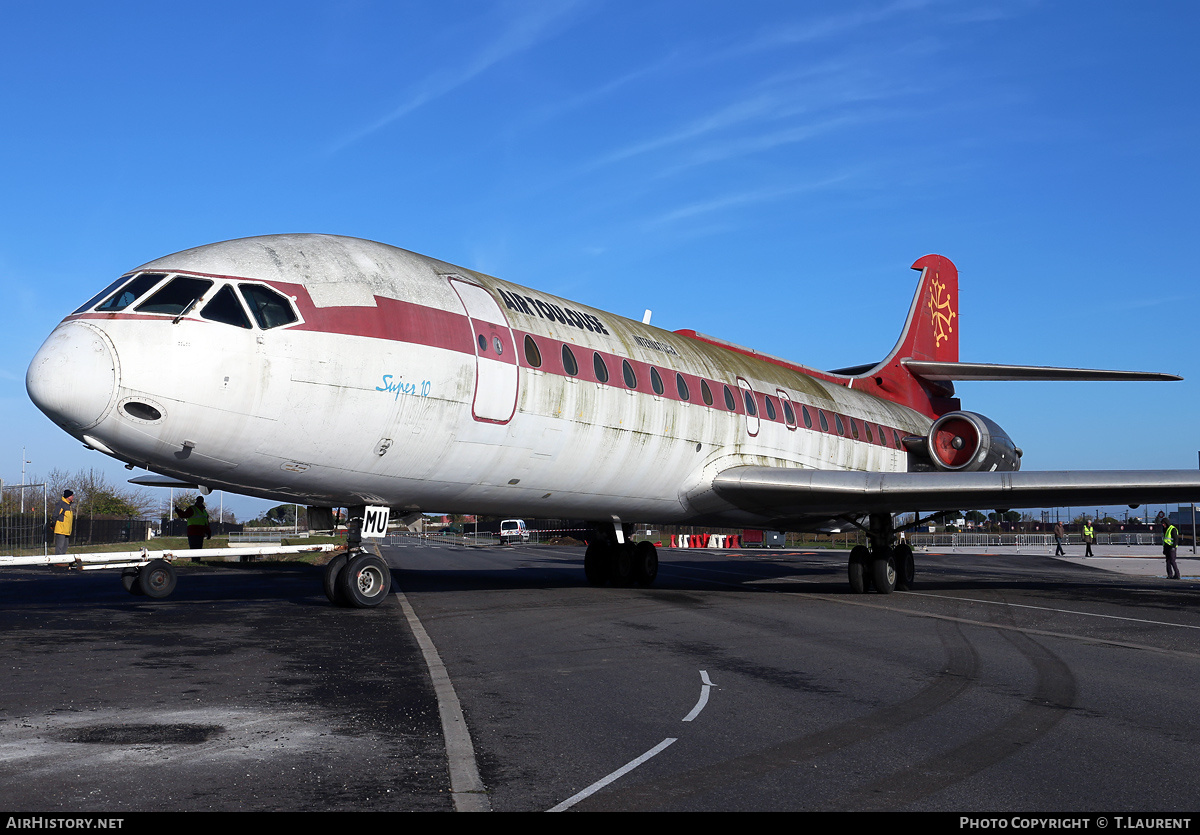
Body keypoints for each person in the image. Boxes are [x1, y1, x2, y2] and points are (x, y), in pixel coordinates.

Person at [52, 489, 74, 556]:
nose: (73, 497)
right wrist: (53, 524)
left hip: (67, 530)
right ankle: (58, 561)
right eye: (72, 495)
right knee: (60, 546)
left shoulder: (68, 505)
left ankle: (63, 560)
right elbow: (55, 514)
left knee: (65, 545)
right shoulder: (61, 504)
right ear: (68, 496)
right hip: (61, 529)